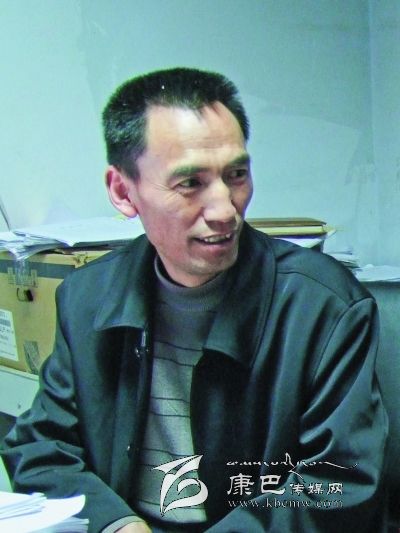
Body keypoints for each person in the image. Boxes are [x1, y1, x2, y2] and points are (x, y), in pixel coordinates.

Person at [1, 67, 388, 533]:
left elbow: (339, 483)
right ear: (123, 191)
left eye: (236, 175)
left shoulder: (323, 307)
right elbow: (42, 448)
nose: (225, 210)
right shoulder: (88, 299)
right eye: (190, 183)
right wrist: (116, 524)